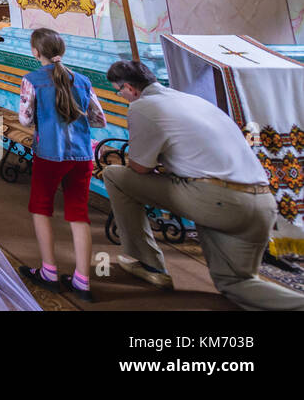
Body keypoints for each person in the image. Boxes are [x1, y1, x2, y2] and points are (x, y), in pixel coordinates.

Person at [102, 60, 304, 310]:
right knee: (235, 282)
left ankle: (149, 264)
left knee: (114, 174)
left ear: (130, 89)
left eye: (118, 91)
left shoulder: (142, 106)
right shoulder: (193, 101)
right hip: (262, 204)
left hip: (218, 201)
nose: (120, 96)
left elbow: (140, 168)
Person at [17, 28, 107, 302]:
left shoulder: (32, 80)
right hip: (81, 155)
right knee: (79, 214)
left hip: (49, 154)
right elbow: (99, 120)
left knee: (42, 209)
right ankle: (82, 279)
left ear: (35, 52)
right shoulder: (81, 80)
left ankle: (49, 271)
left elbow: (24, 118)